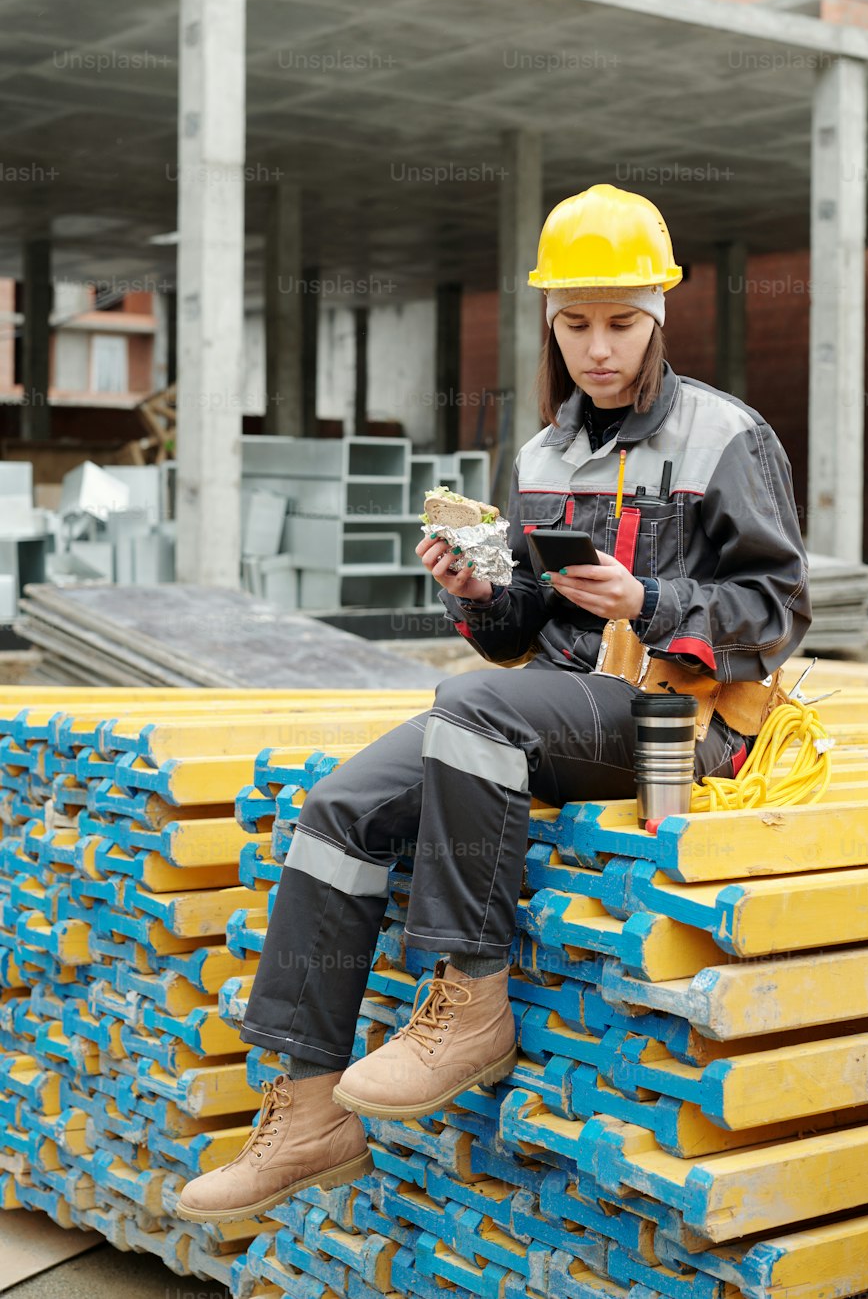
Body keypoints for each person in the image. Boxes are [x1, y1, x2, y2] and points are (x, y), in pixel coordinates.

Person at [175, 183, 811, 1224]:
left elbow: (777, 609)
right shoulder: (542, 457)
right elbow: (522, 632)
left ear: (659, 312)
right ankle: (302, 1115)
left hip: (671, 728)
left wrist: (646, 599)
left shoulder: (724, 436)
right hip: (552, 708)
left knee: (473, 709)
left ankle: (469, 1000)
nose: (596, 348)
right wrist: (479, 593)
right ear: (550, 323)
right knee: (339, 809)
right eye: (574, 325)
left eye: (619, 322)